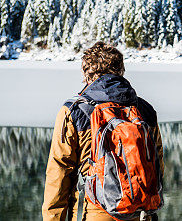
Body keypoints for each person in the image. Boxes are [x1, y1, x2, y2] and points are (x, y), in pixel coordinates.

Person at [42, 42, 164, 221]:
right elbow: (157, 166)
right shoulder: (144, 110)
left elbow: (58, 175)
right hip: (140, 214)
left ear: (87, 73)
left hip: (93, 212)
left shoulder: (74, 111)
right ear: (120, 70)